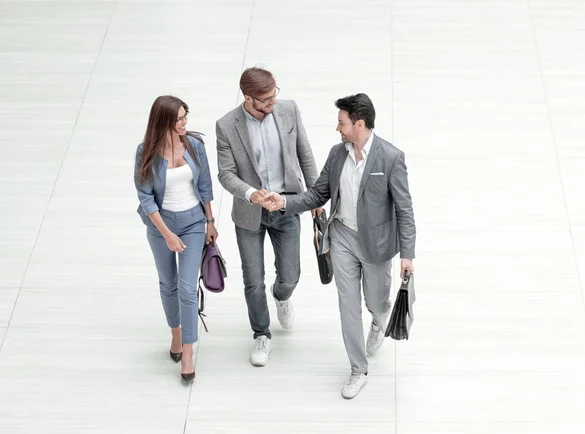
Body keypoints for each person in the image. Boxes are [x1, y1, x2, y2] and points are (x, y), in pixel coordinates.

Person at [263, 93, 416, 398]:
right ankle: (358, 370)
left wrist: (408, 254)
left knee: (376, 301)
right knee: (348, 306)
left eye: (342, 122)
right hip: (343, 237)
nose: (338, 128)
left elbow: (404, 208)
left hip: (377, 245)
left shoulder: (390, 157)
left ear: (359, 124)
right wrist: (284, 202)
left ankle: (377, 321)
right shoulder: (337, 154)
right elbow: (317, 195)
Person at [216, 67, 320, 367]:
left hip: (287, 204)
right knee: (253, 279)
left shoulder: (289, 110)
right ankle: (261, 334)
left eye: (275, 95)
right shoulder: (226, 125)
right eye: (266, 99)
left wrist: (314, 197)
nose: (272, 102)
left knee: (291, 274)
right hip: (250, 212)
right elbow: (226, 173)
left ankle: (282, 296)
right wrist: (251, 193)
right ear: (249, 98)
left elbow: (305, 153)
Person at [134, 95, 218, 382]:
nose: (185, 123)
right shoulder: (146, 151)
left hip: (193, 222)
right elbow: (146, 198)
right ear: (164, 122)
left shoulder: (195, 146)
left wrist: (210, 221)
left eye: (186, 117)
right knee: (167, 285)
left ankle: (188, 350)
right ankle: (175, 332)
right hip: (161, 225)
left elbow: (205, 185)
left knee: (186, 288)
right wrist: (167, 234)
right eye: (180, 118)